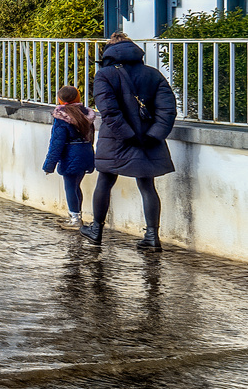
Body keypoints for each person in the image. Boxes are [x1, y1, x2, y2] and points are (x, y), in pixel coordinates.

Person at [82, 34, 176, 250]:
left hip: (116, 138)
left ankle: (96, 230)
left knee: (105, 181)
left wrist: (127, 135)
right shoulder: (154, 74)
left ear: (109, 52)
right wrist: (153, 135)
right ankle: (152, 237)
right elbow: (167, 110)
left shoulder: (104, 75)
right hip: (148, 138)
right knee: (147, 185)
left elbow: (109, 111)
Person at [43, 85, 97, 229]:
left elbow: (56, 143)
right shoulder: (86, 113)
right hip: (86, 152)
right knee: (76, 186)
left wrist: (49, 165)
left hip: (71, 154)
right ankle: (76, 216)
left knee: (70, 187)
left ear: (60, 99)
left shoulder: (61, 116)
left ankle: (75, 219)